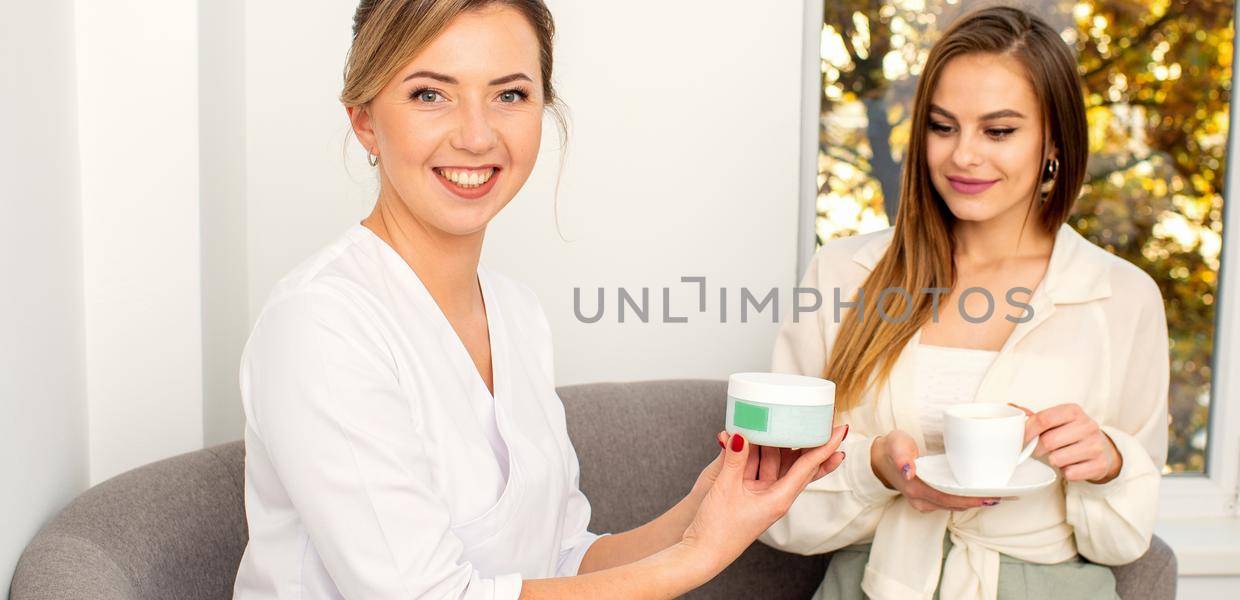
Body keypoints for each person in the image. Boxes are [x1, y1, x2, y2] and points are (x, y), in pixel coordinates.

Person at [231, 2, 845, 598]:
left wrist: (707, 510)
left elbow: (564, 562)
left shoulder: (515, 313)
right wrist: (696, 557)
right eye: (429, 93)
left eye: (509, 95)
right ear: (364, 119)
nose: (476, 136)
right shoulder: (321, 325)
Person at [759, 7, 1169, 599]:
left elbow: (1124, 541)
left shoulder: (1123, 298)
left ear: (1054, 140)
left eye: (998, 131)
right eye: (942, 127)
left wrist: (1107, 464)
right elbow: (773, 506)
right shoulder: (844, 275)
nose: (963, 157)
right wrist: (876, 469)